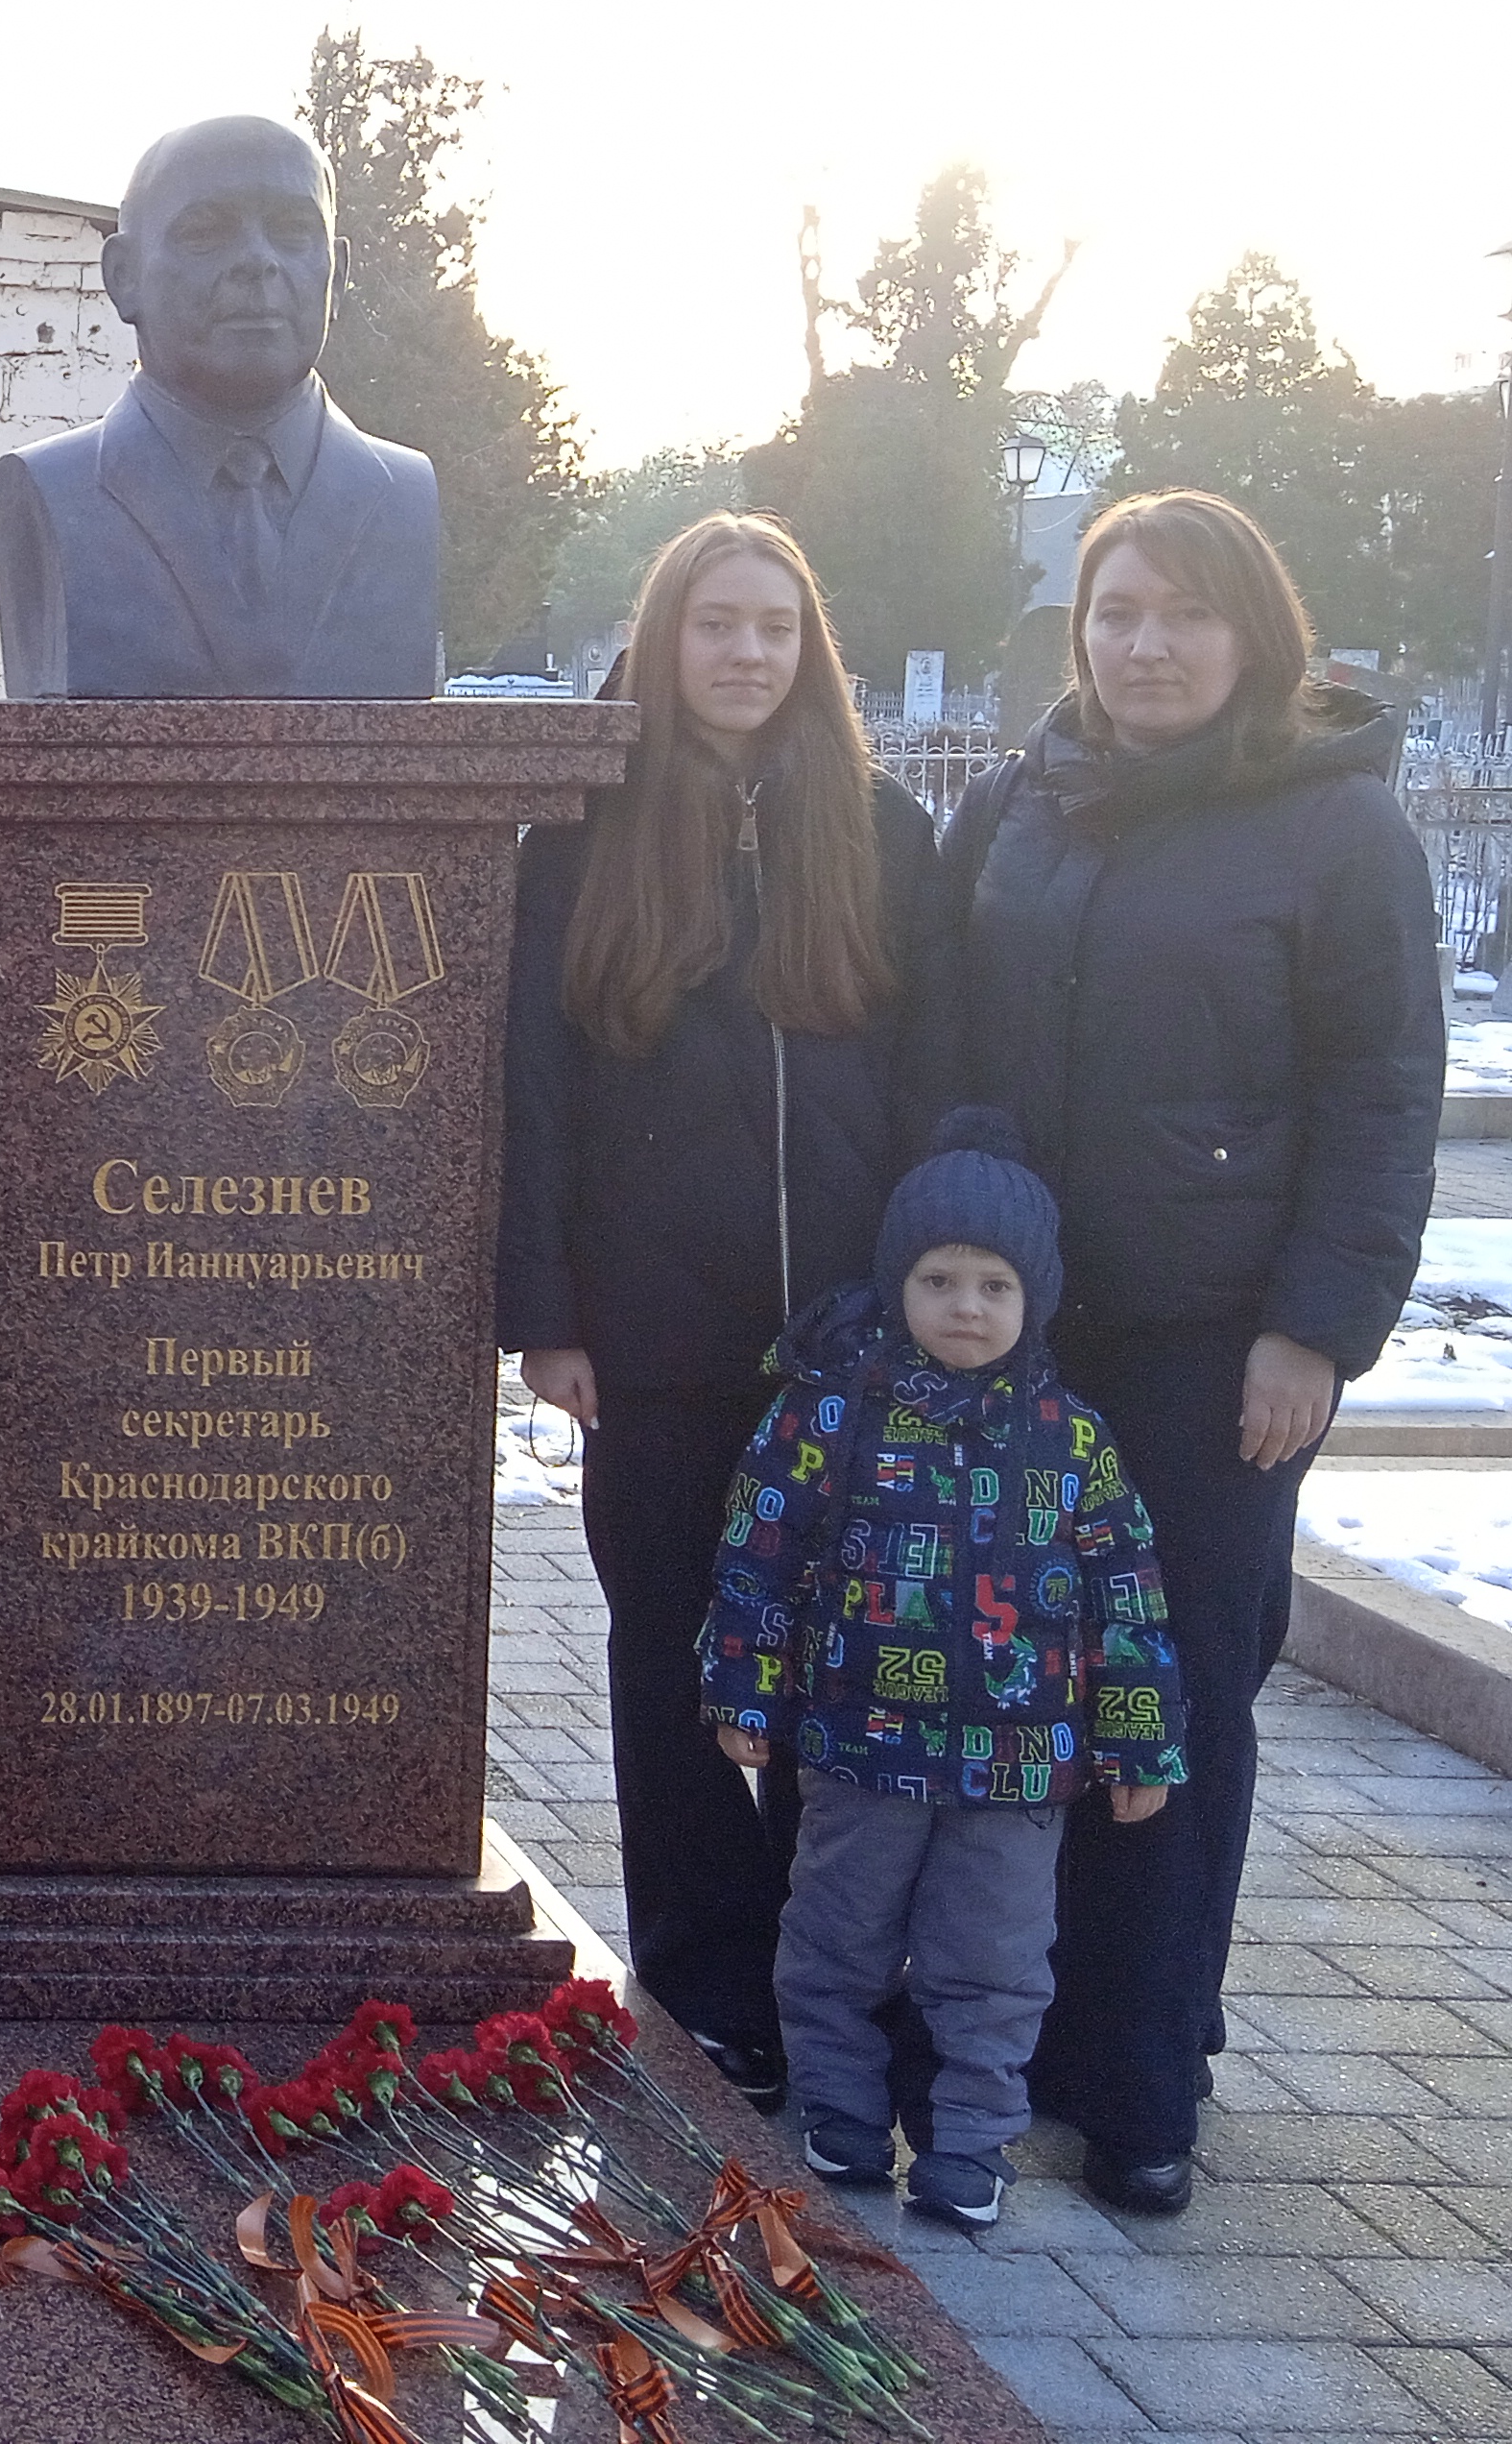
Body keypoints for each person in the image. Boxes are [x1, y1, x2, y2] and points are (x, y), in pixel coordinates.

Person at [924, 488, 1439, 2214]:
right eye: (1118, 611)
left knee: (1173, 1703)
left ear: (1254, 633)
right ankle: (1005, 2037)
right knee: (1012, 1691)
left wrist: (1316, 1331)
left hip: (1214, 1352)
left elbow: (1382, 1096)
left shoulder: (1336, 829)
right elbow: (945, 1041)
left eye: (1186, 614)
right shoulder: (1018, 801)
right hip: (1020, 1347)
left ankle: (1143, 2079)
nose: (1147, 646)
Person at [495, 514, 935, 2109]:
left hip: (846, 1341)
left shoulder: (884, 831)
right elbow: (536, 1087)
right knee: (674, 1656)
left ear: (811, 650)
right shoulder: (585, 836)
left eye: (775, 627)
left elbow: (935, 1074)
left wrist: (934, 1293)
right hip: (656, 1333)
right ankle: (705, 1974)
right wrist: (547, 1308)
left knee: (832, 1660)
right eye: (717, 624)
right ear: (664, 641)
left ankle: (833, 1968)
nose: (747, 654)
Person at [703, 1110, 1187, 2231]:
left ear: (1033, 1299)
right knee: (835, 1938)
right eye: (937, 1280)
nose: (964, 1306)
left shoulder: (1070, 1438)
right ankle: (839, 2109)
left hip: (1017, 1769)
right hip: (860, 1746)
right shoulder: (830, 1412)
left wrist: (1138, 1742)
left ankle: (969, 2138)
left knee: (993, 1960)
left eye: (992, 1286)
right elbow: (758, 1552)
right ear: (896, 1285)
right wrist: (741, 1688)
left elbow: (1126, 1595)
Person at [0, 111, 440, 698]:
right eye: (205, 233)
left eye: (292, 231)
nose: (258, 260)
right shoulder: (53, 489)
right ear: (124, 277)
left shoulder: (404, 494)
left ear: (337, 276)